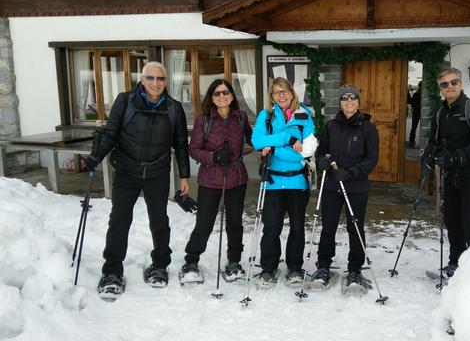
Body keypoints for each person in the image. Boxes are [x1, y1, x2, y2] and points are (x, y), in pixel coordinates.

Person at [88, 61, 191, 296]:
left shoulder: (174, 108)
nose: (156, 83)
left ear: (166, 81)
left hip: (157, 172)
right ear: (142, 80)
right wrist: (95, 156)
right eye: (151, 78)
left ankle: (160, 266)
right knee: (119, 220)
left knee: (159, 221)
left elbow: (181, 145)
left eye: (160, 79)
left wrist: (184, 175)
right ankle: (112, 271)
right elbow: (111, 132)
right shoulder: (125, 102)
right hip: (127, 171)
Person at [180, 79, 253, 283]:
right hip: (211, 178)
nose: (222, 96)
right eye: (217, 93)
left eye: (226, 92)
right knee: (204, 223)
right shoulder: (204, 119)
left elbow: (254, 139)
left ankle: (234, 262)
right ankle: (191, 261)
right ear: (211, 97)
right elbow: (193, 149)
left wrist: (269, 145)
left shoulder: (241, 117)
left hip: (237, 177)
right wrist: (213, 157)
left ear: (232, 95)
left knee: (235, 223)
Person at [311, 84, 379, 290]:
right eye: (345, 99)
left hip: (356, 186)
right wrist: (322, 161)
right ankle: (323, 266)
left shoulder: (368, 128)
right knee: (328, 227)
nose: (349, 102)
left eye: (353, 98)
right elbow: (321, 152)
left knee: (355, 227)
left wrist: (350, 173)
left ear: (358, 102)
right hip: (332, 185)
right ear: (340, 103)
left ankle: (355, 269)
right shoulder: (331, 126)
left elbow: (371, 160)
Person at [251, 77, 317, 286]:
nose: (281, 96)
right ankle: (268, 268)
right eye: (276, 92)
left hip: (297, 182)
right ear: (272, 96)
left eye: (284, 91)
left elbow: (307, 151)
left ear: (292, 92)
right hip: (272, 182)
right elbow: (256, 141)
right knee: (271, 227)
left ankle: (295, 268)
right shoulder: (267, 115)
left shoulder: (304, 115)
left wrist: (276, 149)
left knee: (297, 227)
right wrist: (287, 140)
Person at [426, 67, 470, 279]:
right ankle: (454, 262)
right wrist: (428, 157)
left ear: (461, 84)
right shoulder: (440, 111)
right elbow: (434, 141)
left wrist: (456, 157)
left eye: (453, 82)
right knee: (452, 222)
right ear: (441, 89)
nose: (450, 87)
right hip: (450, 176)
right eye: (445, 84)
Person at [408, 81, 422, 148]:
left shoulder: (416, 94)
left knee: (413, 128)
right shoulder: (422, 94)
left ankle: (411, 142)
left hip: (416, 112)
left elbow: (412, 103)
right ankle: (413, 142)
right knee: (419, 128)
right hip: (418, 112)